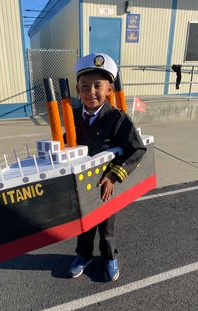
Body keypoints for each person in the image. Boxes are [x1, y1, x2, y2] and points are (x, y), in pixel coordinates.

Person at [68, 53, 146, 281]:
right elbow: (65, 143)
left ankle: (109, 257)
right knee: (84, 226)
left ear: (109, 90)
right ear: (77, 89)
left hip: (105, 185)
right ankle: (83, 256)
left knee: (106, 227)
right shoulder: (71, 116)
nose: (90, 91)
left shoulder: (118, 119)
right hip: (81, 185)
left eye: (97, 86)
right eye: (84, 86)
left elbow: (137, 149)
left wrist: (113, 176)